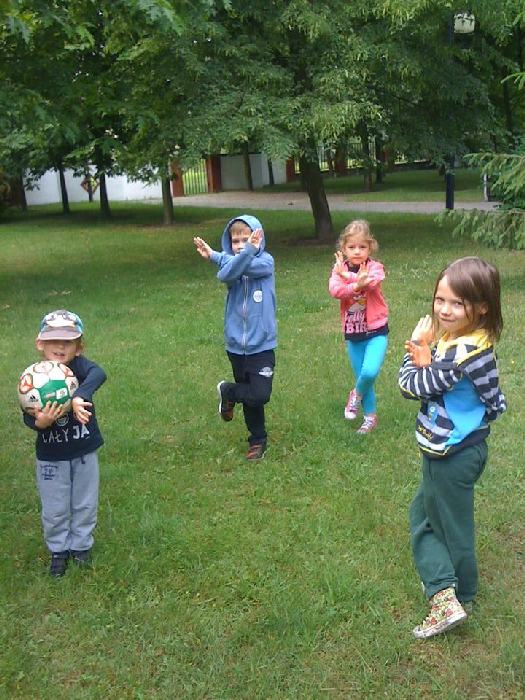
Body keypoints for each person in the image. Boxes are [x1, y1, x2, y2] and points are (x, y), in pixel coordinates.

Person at [399, 256, 506, 639]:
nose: (444, 310)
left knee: (445, 525)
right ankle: (456, 589)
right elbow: (493, 401)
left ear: (482, 307)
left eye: (457, 303)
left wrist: (417, 349)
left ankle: (451, 596)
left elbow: (411, 386)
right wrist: (428, 358)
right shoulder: (474, 342)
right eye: (440, 299)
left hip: (450, 456)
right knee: (425, 514)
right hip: (462, 449)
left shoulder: (457, 356)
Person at [22, 310, 107, 577]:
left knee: (85, 503)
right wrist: (41, 422)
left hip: (84, 451)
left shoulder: (79, 367)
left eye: (68, 341)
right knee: (55, 508)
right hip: (51, 457)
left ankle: (81, 547)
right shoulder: (34, 378)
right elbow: (28, 415)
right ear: (40, 343)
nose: (60, 346)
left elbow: (99, 373)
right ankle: (58, 550)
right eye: (53, 340)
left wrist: (79, 395)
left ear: (78, 347)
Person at [193, 215, 276, 460]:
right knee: (251, 399)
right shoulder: (231, 267)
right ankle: (257, 440)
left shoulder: (266, 262)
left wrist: (219, 257)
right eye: (235, 241)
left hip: (262, 344)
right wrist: (220, 257)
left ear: (258, 237)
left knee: (260, 394)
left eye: (246, 239)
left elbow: (235, 268)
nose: (241, 245)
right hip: (236, 346)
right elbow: (226, 274)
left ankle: (228, 392)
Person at [328, 219, 389, 433]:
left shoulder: (375, 267)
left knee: (369, 372)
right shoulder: (338, 269)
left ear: (370, 248)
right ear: (344, 249)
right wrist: (354, 283)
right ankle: (370, 418)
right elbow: (336, 290)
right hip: (353, 332)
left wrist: (348, 277)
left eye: (362, 247)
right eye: (352, 247)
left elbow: (372, 282)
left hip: (376, 330)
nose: (357, 251)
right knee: (362, 375)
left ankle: (355, 394)